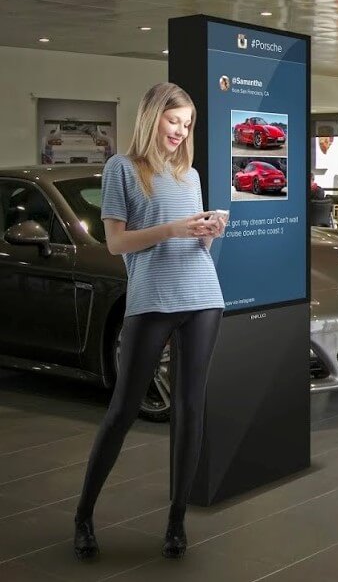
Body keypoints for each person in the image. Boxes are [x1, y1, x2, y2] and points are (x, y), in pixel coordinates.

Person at [73, 82, 227, 561]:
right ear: (151, 118)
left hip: (203, 296)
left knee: (190, 408)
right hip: (151, 300)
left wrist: (207, 232)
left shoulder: (191, 174)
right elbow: (117, 244)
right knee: (122, 411)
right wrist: (175, 228)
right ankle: (83, 516)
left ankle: (177, 522)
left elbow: (194, 245)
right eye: (173, 121)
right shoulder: (121, 168)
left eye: (187, 124)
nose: (180, 131)